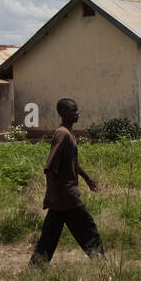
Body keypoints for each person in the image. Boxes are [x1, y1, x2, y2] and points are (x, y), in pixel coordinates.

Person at [29, 98, 105, 266]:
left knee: (49, 236)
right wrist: (54, 194)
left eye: (77, 110)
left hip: (62, 199)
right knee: (88, 229)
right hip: (67, 197)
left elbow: (72, 163)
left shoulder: (69, 133)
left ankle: (35, 269)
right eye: (73, 111)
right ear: (63, 114)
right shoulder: (62, 134)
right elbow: (50, 167)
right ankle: (101, 264)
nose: (77, 113)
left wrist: (86, 178)